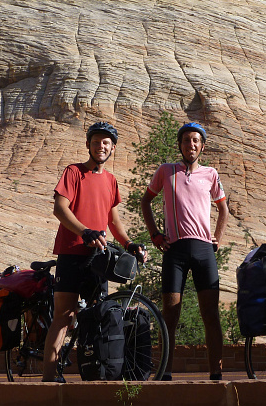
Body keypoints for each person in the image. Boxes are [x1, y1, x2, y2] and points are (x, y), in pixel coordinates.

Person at [41, 121, 146, 382]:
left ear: (113, 148)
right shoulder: (74, 172)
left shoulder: (110, 180)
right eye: (97, 141)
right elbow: (60, 208)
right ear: (88, 144)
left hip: (99, 259)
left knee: (97, 315)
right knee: (64, 316)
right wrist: (84, 231)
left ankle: (95, 371)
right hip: (72, 252)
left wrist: (129, 244)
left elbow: (113, 221)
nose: (102, 146)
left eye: (107, 143)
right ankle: (48, 376)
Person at [140, 122, 229, 381]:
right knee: (170, 314)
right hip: (175, 251)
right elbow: (146, 201)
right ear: (179, 145)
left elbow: (223, 208)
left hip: (204, 250)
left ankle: (216, 372)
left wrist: (218, 238)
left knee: (210, 314)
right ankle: (165, 371)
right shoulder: (166, 171)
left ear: (202, 146)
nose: (191, 145)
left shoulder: (211, 174)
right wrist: (155, 234)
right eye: (186, 140)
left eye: (195, 141)